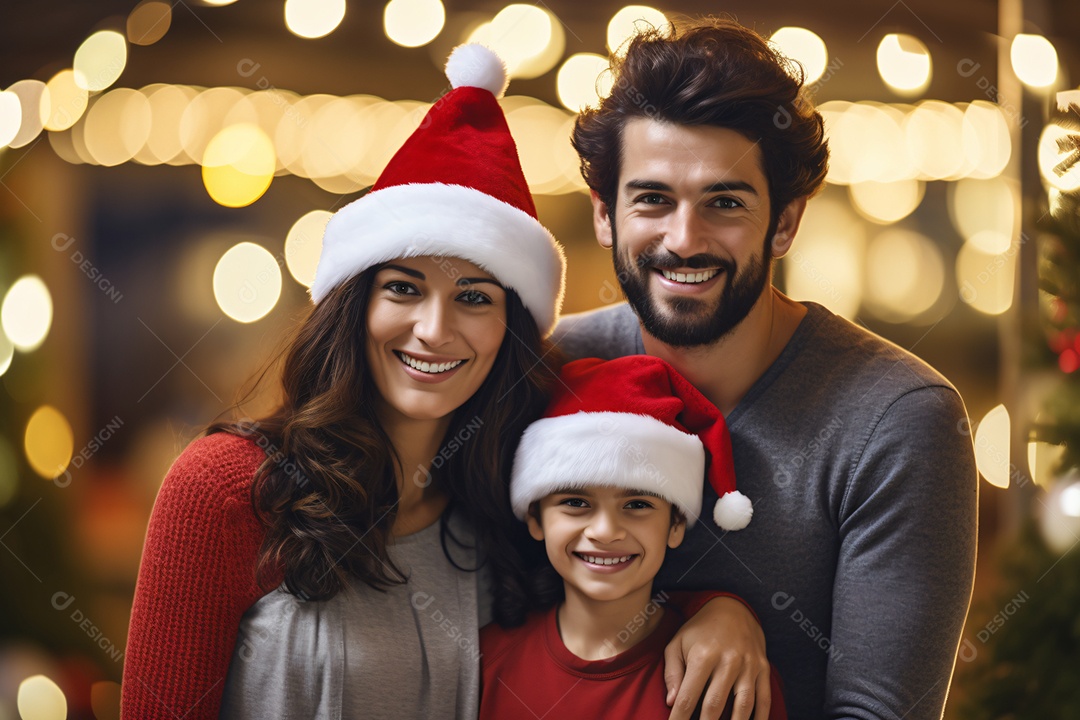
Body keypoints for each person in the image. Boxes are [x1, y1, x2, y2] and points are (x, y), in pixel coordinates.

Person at [121, 43, 770, 720]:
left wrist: (716, 612)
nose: (434, 329)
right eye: (404, 288)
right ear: (355, 304)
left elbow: (603, 601)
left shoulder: (503, 499)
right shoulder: (228, 491)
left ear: (508, 330)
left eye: (474, 298)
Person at [553, 19, 979, 720]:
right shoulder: (553, 368)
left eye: (725, 203)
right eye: (652, 199)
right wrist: (710, 607)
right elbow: (495, 624)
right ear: (605, 215)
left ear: (784, 224)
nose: (683, 239)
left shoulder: (899, 419)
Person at [479, 355, 788, 720]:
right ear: (535, 518)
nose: (606, 532)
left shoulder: (722, 675)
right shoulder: (487, 661)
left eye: (637, 504)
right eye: (576, 502)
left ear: (675, 525)